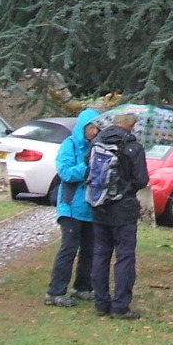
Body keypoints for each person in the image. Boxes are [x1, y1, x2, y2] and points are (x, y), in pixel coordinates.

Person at [90, 113, 150, 320]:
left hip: (99, 205)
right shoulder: (133, 147)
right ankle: (120, 306)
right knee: (124, 257)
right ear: (132, 126)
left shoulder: (97, 142)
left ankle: (101, 302)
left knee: (100, 255)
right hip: (124, 208)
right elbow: (141, 180)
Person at [45, 108, 102, 308]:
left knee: (90, 250)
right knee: (68, 249)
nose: (94, 132)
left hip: (90, 208)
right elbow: (66, 173)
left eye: (97, 128)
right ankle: (55, 291)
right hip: (70, 207)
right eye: (91, 128)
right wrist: (87, 167)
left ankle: (83, 287)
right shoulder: (69, 145)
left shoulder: (97, 147)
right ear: (83, 127)